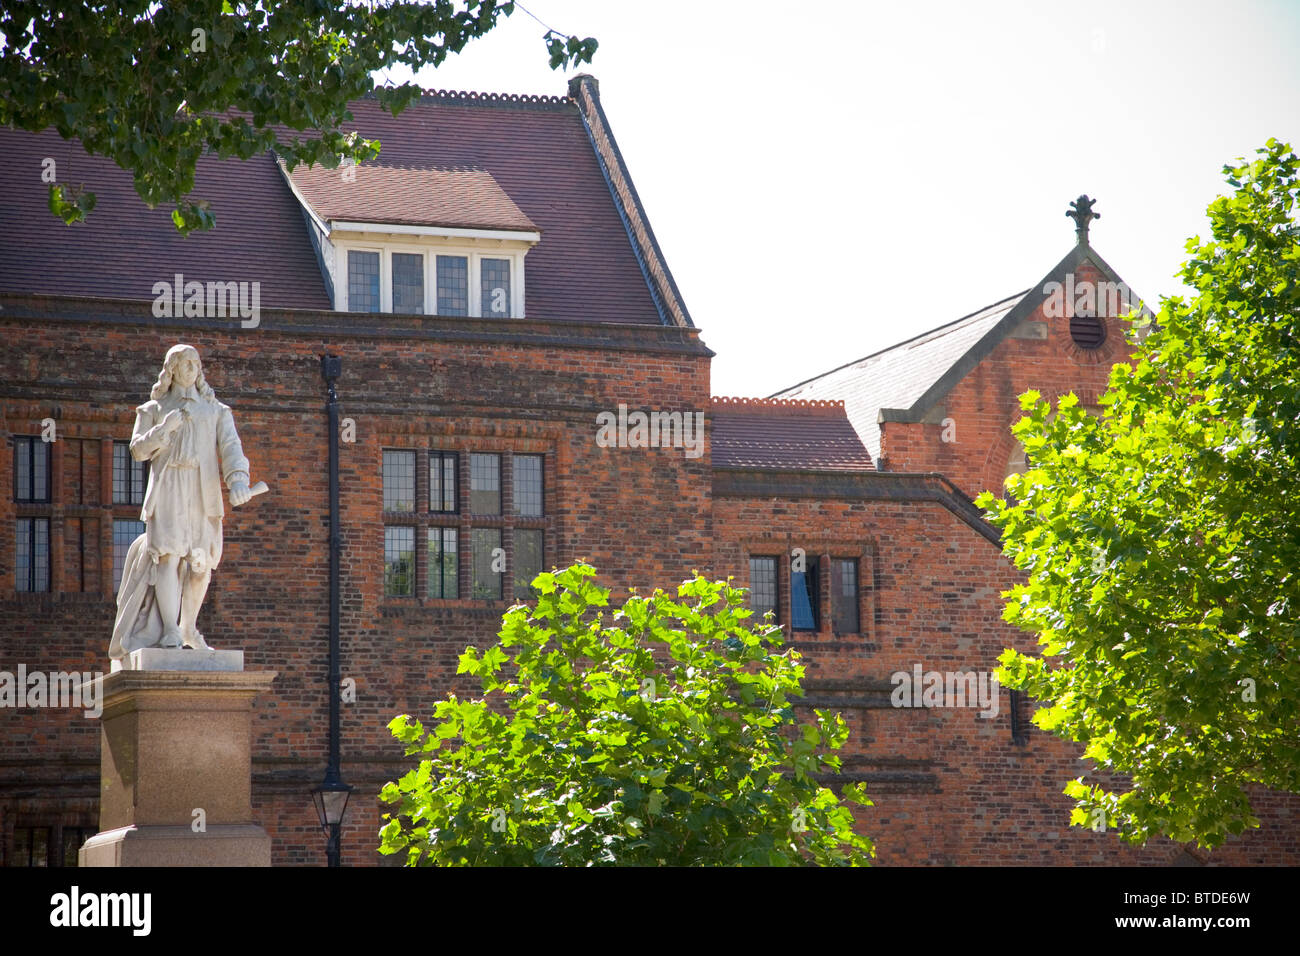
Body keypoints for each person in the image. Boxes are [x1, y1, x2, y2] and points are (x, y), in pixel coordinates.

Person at [110, 344, 253, 660]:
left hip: (203, 489)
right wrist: (165, 429)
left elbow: (231, 448)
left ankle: (188, 626)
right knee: (169, 558)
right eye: (185, 362)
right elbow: (137, 450)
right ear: (171, 369)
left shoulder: (216, 410)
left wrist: (238, 480)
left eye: (196, 362)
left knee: (202, 561)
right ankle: (171, 631)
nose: (192, 367)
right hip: (170, 486)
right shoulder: (154, 409)